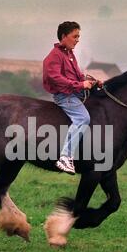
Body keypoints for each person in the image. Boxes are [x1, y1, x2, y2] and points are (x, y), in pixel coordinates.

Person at [43, 21, 103, 175]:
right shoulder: (54, 56)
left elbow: (78, 76)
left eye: (78, 37)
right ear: (64, 36)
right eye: (74, 36)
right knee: (83, 119)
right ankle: (65, 156)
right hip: (64, 96)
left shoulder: (69, 54)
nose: (77, 40)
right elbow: (55, 78)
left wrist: (92, 83)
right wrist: (80, 85)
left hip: (74, 93)